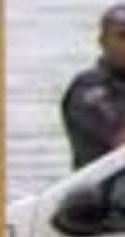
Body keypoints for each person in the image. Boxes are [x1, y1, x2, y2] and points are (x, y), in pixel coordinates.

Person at [62, 3, 125, 169]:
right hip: (105, 182)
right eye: (122, 36)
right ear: (103, 41)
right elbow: (119, 142)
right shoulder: (87, 90)